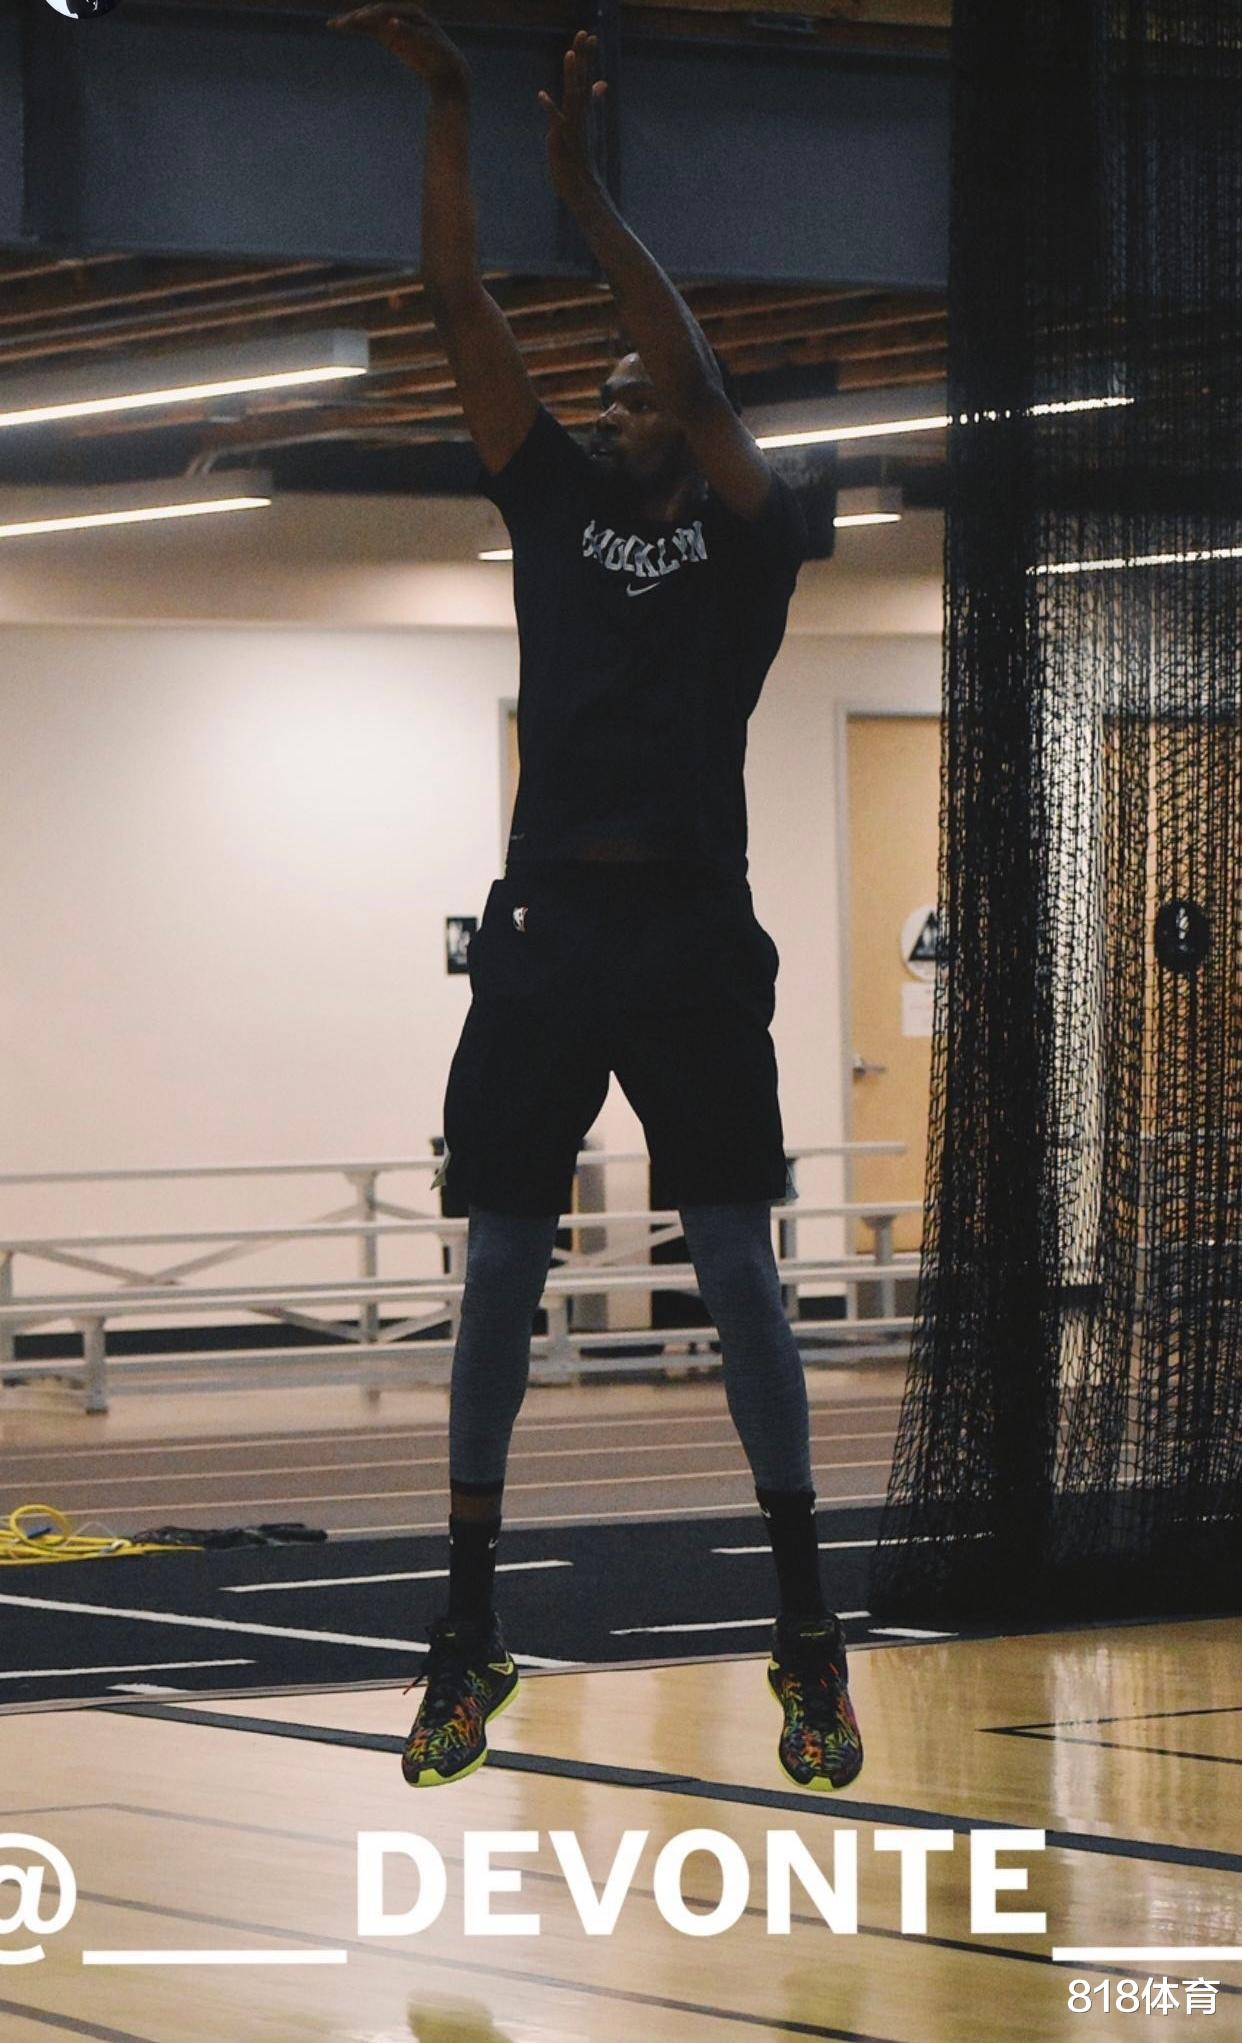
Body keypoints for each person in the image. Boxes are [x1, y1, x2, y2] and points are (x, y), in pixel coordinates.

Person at [329, 3, 863, 1797]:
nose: (620, 402)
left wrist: (587, 193)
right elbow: (456, 309)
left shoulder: (747, 535)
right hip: (549, 928)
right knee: (498, 1263)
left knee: (734, 1265)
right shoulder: (553, 502)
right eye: (611, 391)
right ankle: (465, 1624)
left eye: (635, 390)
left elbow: (700, 382)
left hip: (692, 931)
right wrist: (455, 117)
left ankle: (805, 1625)